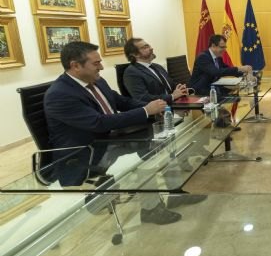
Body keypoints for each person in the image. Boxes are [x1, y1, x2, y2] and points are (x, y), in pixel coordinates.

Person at [44, 41, 189, 225]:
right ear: (75, 66)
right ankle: (151, 210)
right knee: (147, 157)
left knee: (165, 141)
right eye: (96, 64)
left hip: (112, 139)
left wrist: (152, 107)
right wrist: (145, 111)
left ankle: (175, 194)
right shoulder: (60, 94)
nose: (101, 67)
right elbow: (99, 123)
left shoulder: (96, 80)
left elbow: (122, 102)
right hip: (86, 153)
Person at [122, 37, 188, 103]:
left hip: (176, 103)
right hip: (158, 110)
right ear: (135, 54)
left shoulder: (157, 66)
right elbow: (143, 98)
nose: (151, 48)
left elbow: (171, 84)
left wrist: (181, 88)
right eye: (145, 47)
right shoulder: (131, 73)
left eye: (149, 46)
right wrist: (172, 96)